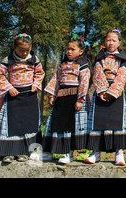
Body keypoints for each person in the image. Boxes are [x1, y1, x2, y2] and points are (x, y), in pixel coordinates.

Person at [0, 33, 45, 163]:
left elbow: (40, 73)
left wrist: (36, 84)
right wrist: (9, 88)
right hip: (13, 96)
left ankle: (24, 152)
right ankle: (8, 153)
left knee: (27, 125)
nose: (24, 53)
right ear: (14, 47)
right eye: (21, 50)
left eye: (27, 50)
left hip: (30, 96)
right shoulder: (8, 60)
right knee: (12, 124)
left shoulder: (34, 59)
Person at [41, 35, 91, 164]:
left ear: (81, 51)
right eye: (67, 49)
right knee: (54, 124)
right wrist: (52, 95)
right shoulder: (62, 65)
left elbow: (84, 83)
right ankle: (48, 151)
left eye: (72, 49)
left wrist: (80, 100)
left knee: (69, 126)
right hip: (60, 98)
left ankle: (67, 153)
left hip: (73, 99)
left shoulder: (83, 65)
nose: (69, 51)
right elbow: (56, 80)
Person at [85, 29, 126, 166]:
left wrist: (112, 91)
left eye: (114, 40)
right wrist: (102, 90)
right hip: (101, 92)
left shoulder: (123, 59)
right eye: (108, 40)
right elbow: (97, 73)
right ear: (105, 42)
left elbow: (123, 74)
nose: (111, 43)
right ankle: (96, 152)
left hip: (116, 92)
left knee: (117, 123)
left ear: (119, 43)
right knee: (98, 123)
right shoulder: (100, 57)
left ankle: (119, 152)